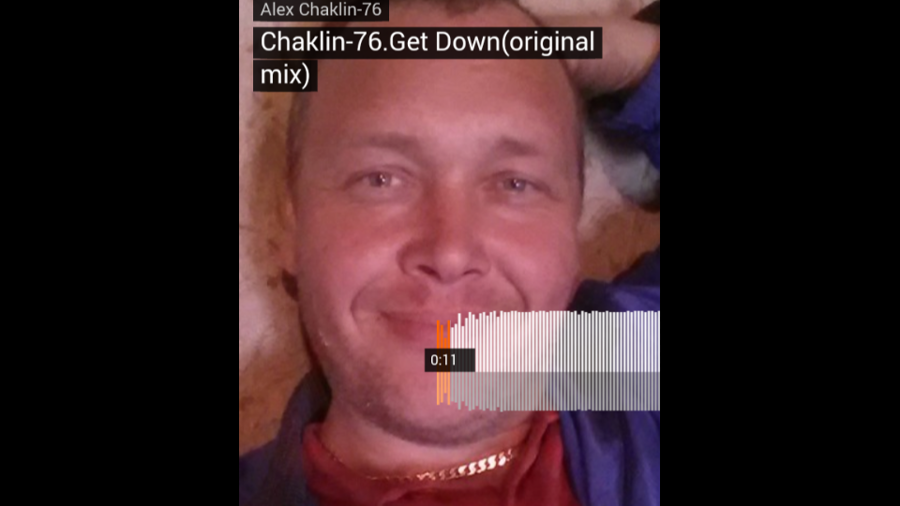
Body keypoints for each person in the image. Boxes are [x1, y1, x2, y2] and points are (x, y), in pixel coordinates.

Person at [240, 1, 660, 505]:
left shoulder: (629, 362)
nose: (450, 253)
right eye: (381, 179)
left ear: (572, 228)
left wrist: (631, 59)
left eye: (514, 184)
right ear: (290, 227)